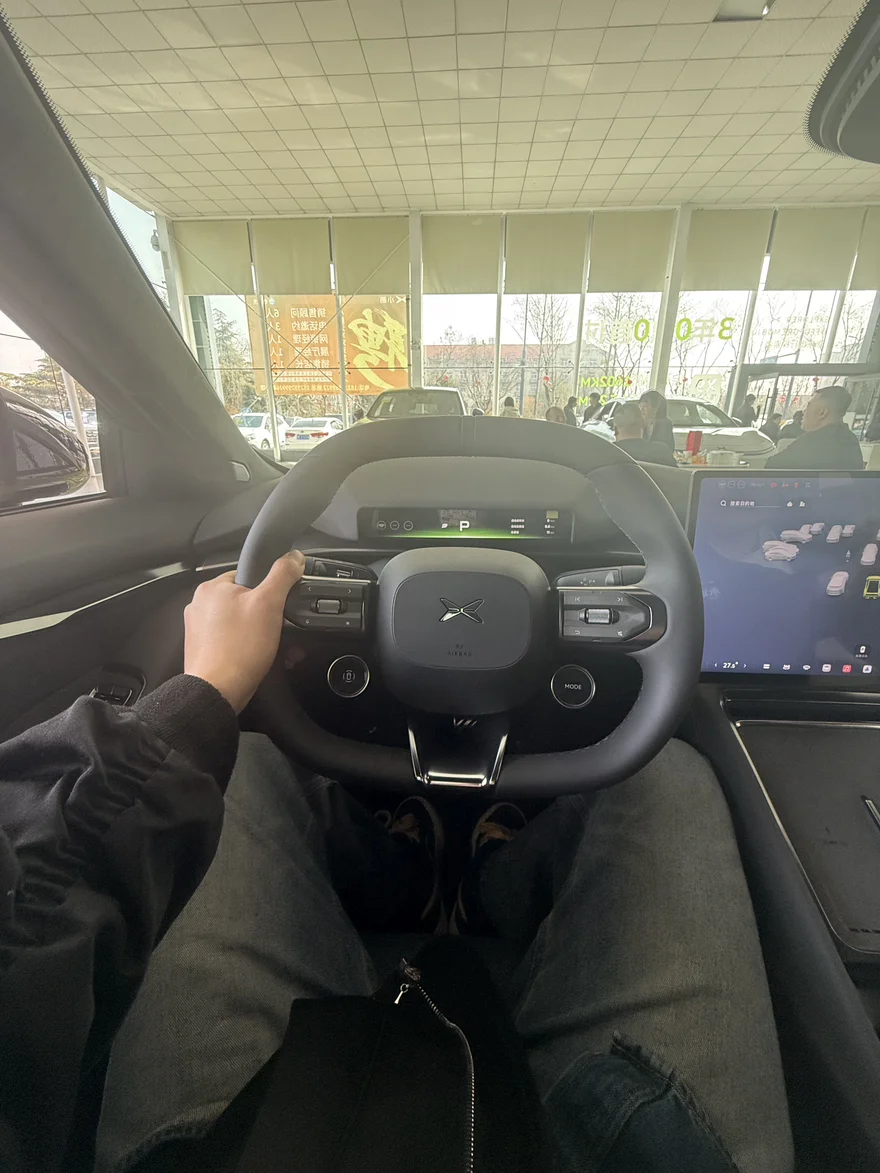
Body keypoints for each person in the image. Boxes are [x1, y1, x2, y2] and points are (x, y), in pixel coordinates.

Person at [0, 558, 794, 1173]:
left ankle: (421, 863)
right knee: (663, 773)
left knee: (248, 762)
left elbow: (33, 917)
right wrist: (201, 697)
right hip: (633, 1150)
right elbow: (35, 904)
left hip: (252, 1142)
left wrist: (208, 690)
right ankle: (488, 880)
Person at [765, 385, 864, 471]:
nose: (804, 411)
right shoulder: (851, 441)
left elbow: (771, 466)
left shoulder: (811, 443)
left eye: (808, 406)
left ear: (822, 413)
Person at [612, 401, 678, 467]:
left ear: (615, 429)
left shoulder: (608, 452)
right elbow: (676, 472)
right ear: (643, 424)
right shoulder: (662, 452)